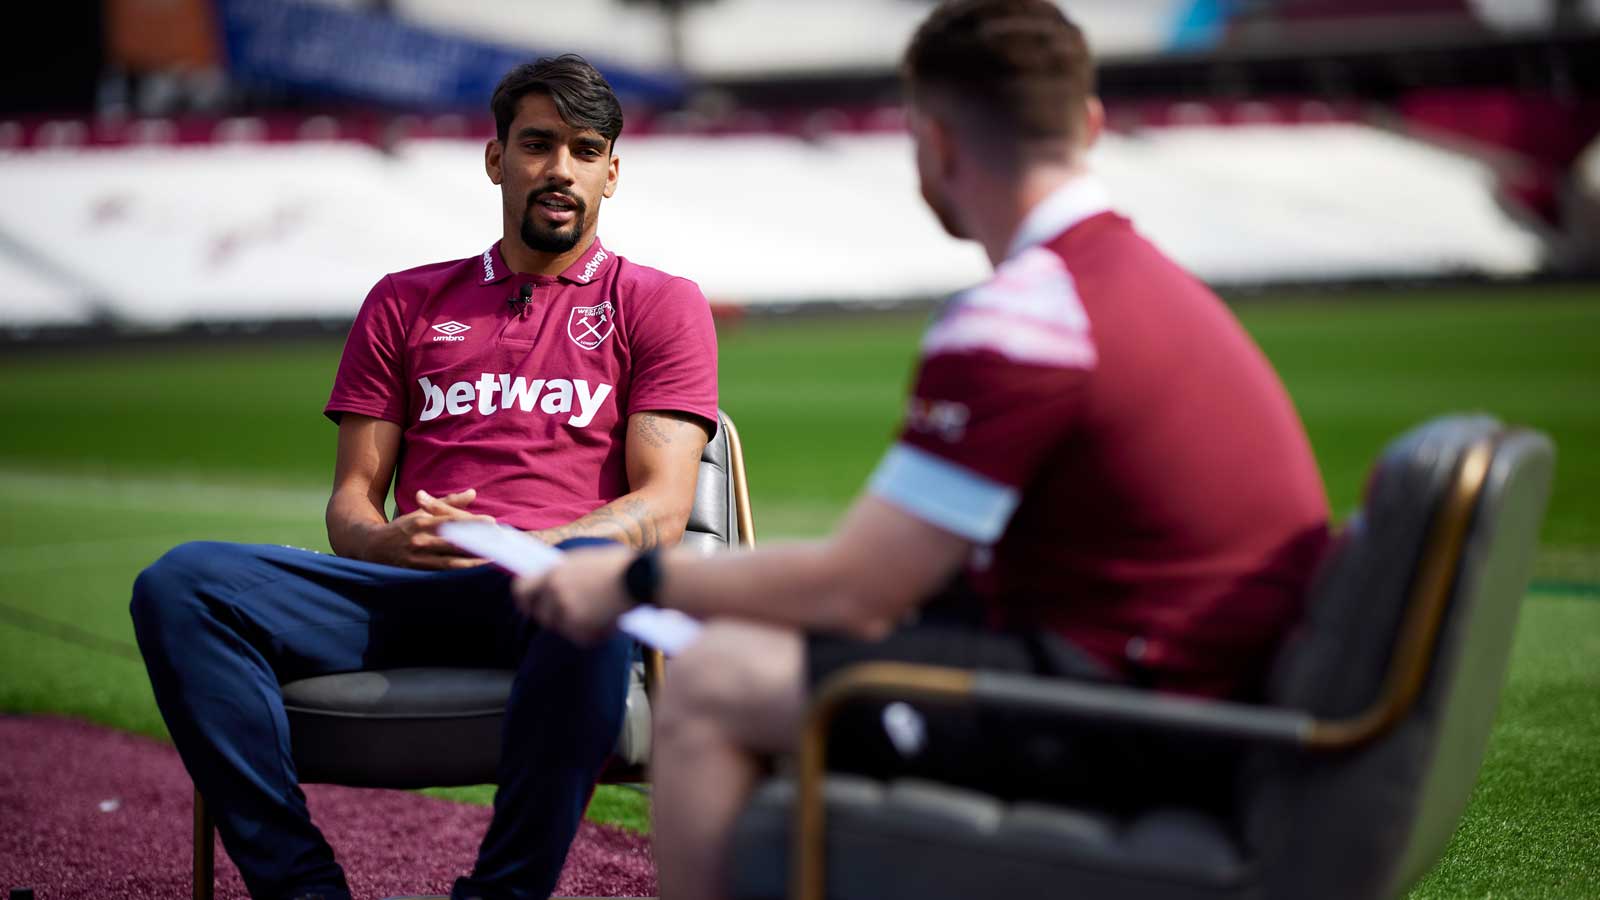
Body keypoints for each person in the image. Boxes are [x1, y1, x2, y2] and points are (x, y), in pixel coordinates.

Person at [514, 2, 1331, 898]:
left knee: (713, 682)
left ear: (935, 146)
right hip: (1209, 694)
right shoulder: (1150, 281)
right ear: (1089, 124)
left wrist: (624, 579)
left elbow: (860, 587)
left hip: (1144, 717)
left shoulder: (1028, 313)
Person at [130, 54, 718, 900]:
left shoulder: (659, 302)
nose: (560, 169)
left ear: (612, 173)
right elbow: (350, 505)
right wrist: (386, 540)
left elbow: (662, 506)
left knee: (595, 584)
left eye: (585, 150)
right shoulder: (404, 301)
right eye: (538, 144)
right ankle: (302, 888)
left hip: (548, 594)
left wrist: (533, 549)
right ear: (496, 159)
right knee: (182, 583)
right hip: (405, 587)